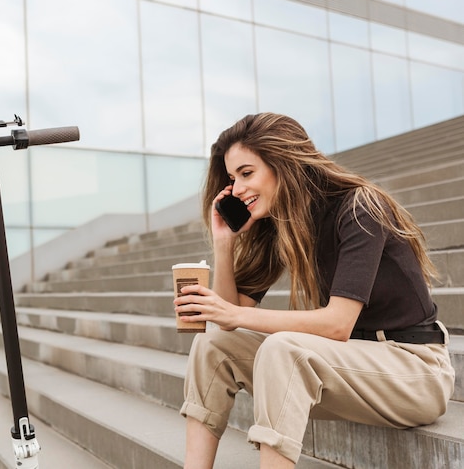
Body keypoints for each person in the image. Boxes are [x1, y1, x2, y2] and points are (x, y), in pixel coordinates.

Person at [174, 113, 455, 469]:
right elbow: (226, 321)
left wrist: (235, 314)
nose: (238, 188)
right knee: (210, 345)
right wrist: (224, 244)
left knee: (283, 348)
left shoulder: (360, 206)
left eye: (247, 173)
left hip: (414, 372)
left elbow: (338, 323)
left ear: (283, 163)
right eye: (232, 179)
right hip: (353, 364)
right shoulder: (283, 224)